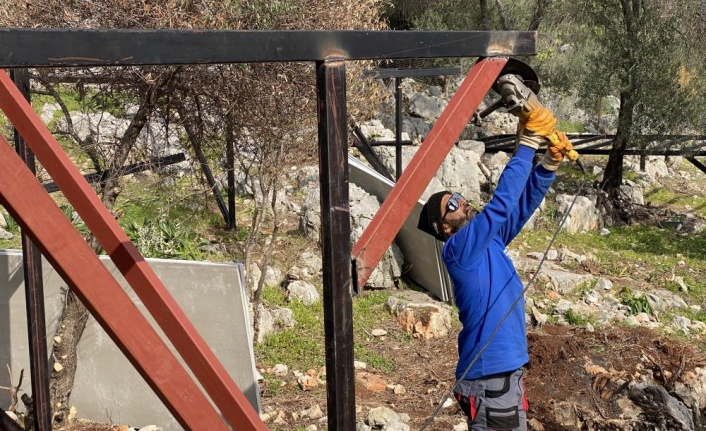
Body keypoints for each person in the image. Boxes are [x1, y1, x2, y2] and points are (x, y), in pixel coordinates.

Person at [417, 103, 574, 430]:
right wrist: (529, 141)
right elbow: (501, 203)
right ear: (445, 228)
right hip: (491, 377)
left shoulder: (487, 243)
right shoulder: (459, 249)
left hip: (502, 374)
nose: (463, 201)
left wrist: (547, 164)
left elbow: (519, 208)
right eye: (454, 204)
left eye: (460, 196)